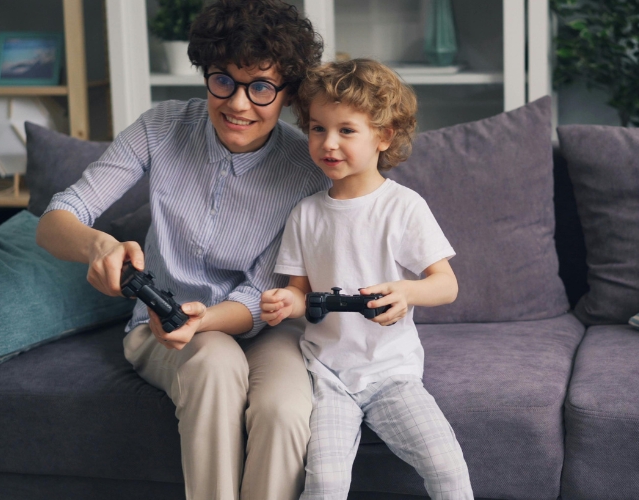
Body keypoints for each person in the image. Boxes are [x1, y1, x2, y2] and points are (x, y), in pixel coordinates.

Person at [34, 1, 330, 499]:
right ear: (206, 73)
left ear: (288, 93)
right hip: (162, 326)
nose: (238, 104)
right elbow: (58, 217)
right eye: (223, 80)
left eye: (260, 87)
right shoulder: (162, 127)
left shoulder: (307, 165)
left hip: (267, 328)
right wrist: (97, 245)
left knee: (284, 409)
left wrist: (206, 318)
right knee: (215, 364)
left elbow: (264, 294)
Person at [259, 58, 474, 499]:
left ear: (384, 136)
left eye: (346, 130)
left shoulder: (403, 207)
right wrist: (288, 302)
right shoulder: (306, 214)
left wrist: (408, 292)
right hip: (328, 375)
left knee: (448, 469)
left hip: (391, 374)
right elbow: (302, 293)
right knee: (326, 484)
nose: (328, 143)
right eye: (317, 129)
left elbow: (446, 284)